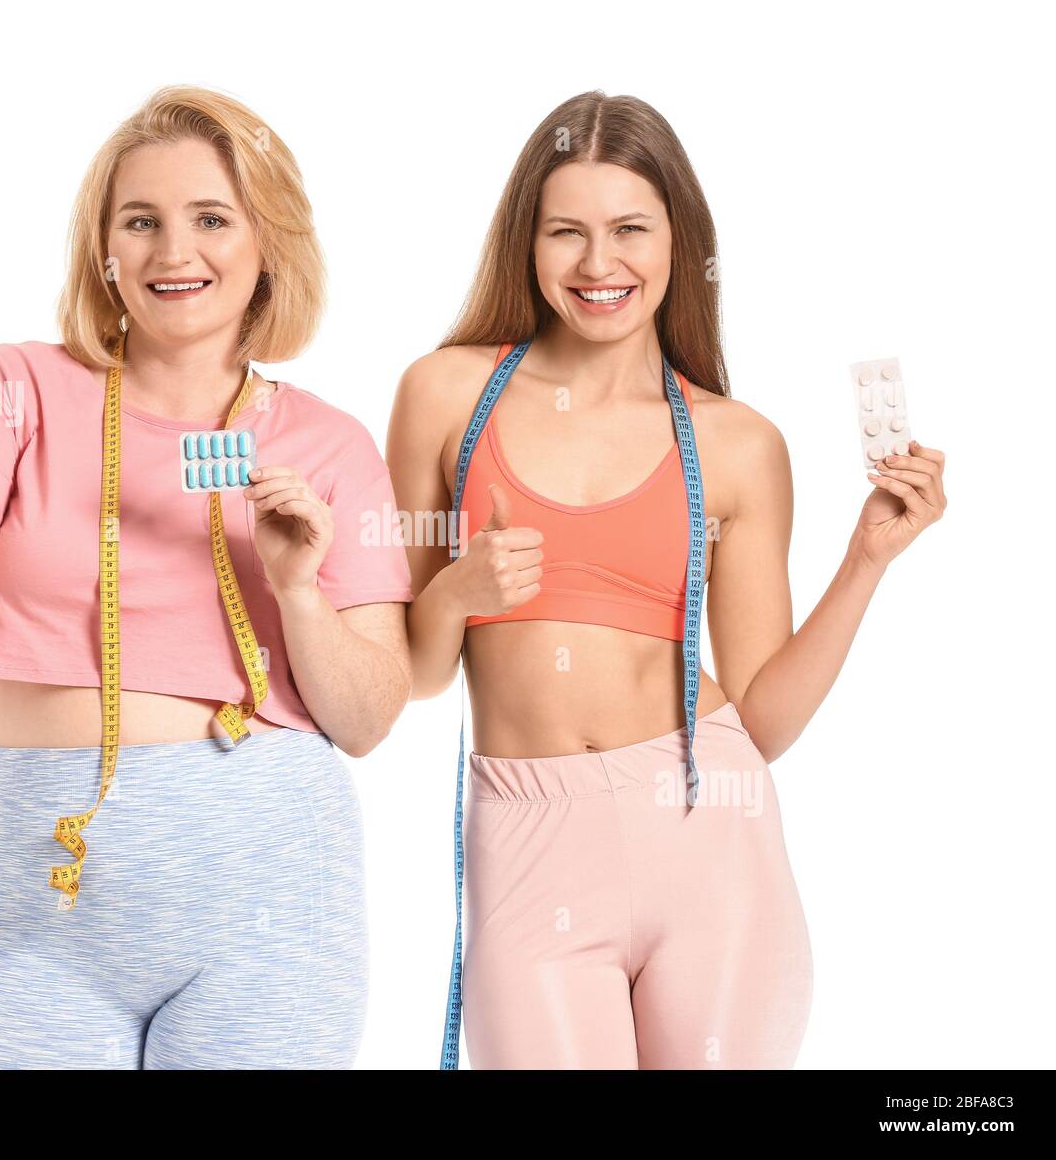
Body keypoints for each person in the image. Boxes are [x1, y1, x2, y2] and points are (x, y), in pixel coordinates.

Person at [386, 90, 946, 1069]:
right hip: (525, 836)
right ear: (527, 241)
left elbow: (762, 720)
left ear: (679, 242)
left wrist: (866, 558)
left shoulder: (736, 445)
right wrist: (455, 594)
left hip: (706, 839)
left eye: (629, 230)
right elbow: (409, 671)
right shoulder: (445, 394)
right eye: (567, 232)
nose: (598, 266)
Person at [0, 85, 412, 1069]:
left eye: (211, 218)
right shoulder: (16, 385)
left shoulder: (328, 444)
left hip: (271, 924)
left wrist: (297, 589)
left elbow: (372, 715)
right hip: (42, 927)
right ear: (104, 248)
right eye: (141, 221)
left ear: (268, 243)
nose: (175, 252)